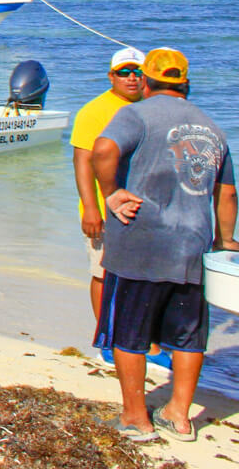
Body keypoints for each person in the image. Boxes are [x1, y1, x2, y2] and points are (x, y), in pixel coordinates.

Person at [92, 48, 238, 443]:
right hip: (192, 246)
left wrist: (112, 193)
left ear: (147, 81)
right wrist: (225, 241)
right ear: (186, 84)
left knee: (129, 334)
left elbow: (103, 149)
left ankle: (136, 418)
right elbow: (226, 193)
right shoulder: (213, 128)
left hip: (141, 244)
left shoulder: (136, 113)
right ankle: (179, 416)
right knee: (188, 337)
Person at [70, 47, 145, 320]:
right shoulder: (95, 111)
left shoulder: (149, 106)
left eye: (138, 72)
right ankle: (105, 336)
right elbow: (82, 161)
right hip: (105, 210)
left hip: (141, 211)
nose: (132, 78)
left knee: (140, 278)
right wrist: (91, 209)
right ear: (111, 77)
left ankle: (139, 338)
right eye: (124, 72)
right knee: (103, 274)